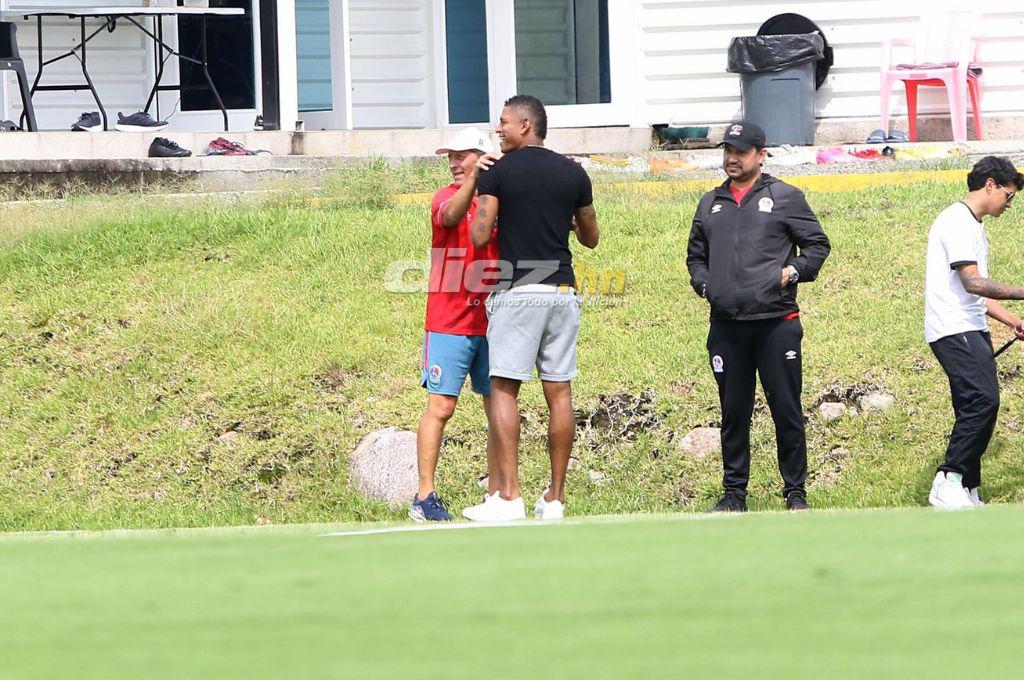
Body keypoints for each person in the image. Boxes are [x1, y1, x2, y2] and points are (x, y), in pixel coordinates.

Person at [460, 94, 599, 522]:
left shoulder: (498, 172)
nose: (498, 129)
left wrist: (493, 209)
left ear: (525, 125)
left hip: (518, 290)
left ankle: (509, 498)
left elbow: (481, 235)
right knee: (559, 392)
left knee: (503, 388)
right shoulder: (574, 171)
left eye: (503, 123)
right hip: (561, 291)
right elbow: (591, 237)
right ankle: (554, 499)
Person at [686, 121, 830, 512]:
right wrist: (705, 285)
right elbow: (695, 257)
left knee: (785, 407)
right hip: (727, 328)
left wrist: (791, 272)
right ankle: (734, 495)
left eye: (741, 151)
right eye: (727, 151)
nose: (732, 158)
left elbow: (817, 246)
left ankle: (795, 493)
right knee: (733, 412)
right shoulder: (710, 202)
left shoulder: (785, 197)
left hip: (776, 325)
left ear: (761, 155)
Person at [411, 127, 500, 522]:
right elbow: (449, 217)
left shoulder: (500, 199)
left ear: (482, 156)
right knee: (441, 407)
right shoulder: (445, 197)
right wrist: (475, 180)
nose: (452, 162)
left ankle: (499, 492)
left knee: (498, 406)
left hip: (495, 319)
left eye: (460, 155)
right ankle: (424, 497)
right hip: (448, 321)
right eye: (449, 155)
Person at [924, 156, 1024, 510]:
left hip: (969, 324)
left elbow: (973, 292)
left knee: (973, 405)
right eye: (1009, 196)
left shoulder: (972, 225)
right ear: (991, 184)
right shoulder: (957, 221)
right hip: (954, 327)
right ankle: (948, 478)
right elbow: (974, 282)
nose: (1009, 205)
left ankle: (968, 489)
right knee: (984, 401)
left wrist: (1012, 320)